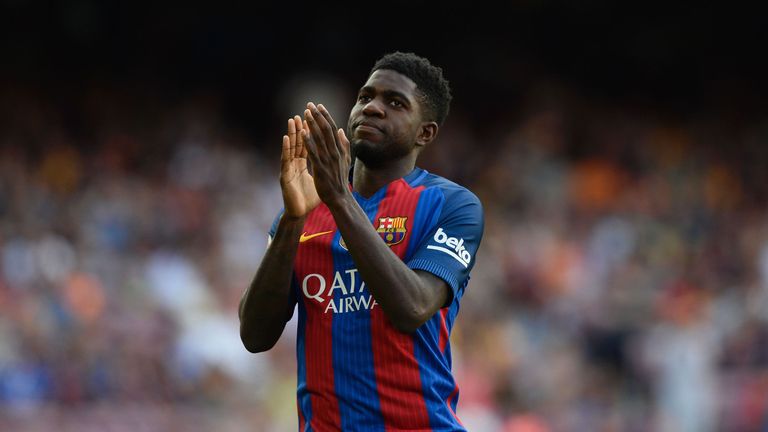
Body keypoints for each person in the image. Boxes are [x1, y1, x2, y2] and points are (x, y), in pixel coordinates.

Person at [239, 52, 484, 431]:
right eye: (365, 97)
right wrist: (292, 220)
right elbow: (254, 336)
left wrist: (339, 198)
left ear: (425, 133)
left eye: (395, 102)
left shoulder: (451, 205)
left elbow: (413, 306)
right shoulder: (304, 212)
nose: (373, 108)